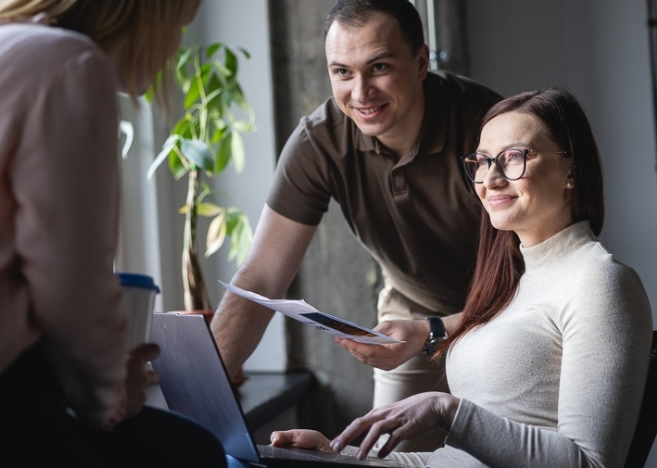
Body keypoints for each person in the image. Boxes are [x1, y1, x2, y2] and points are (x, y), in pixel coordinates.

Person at [0, 0, 226, 468]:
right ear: (144, 6)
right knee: (195, 455)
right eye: (175, 21)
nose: (174, 44)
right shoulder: (69, 65)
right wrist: (110, 392)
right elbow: (67, 278)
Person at [270, 88, 653, 467]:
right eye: (483, 161)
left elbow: (591, 464)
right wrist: (340, 457)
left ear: (572, 169)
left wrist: (447, 410)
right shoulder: (516, 286)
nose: (491, 179)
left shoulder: (601, 283)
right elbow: (454, 461)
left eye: (514, 157)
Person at [211, 0, 500, 450]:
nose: (360, 92)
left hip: (508, 310)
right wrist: (202, 397)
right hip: (411, 313)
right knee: (384, 457)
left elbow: (539, 282)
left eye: (379, 67)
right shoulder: (319, 141)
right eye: (342, 72)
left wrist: (436, 331)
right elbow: (262, 276)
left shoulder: (490, 127)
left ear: (422, 63)